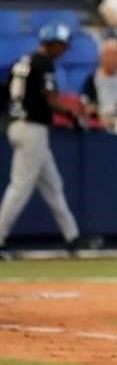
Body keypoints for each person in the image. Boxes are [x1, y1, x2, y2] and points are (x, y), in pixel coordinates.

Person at [0, 24, 99, 260]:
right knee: (20, 187)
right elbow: (51, 99)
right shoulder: (43, 62)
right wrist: (73, 115)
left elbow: (7, 93)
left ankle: (72, 238)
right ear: (51, 43)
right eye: (61, 45)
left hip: (18, 125)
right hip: (31, 128)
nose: (63, 50)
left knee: (53, 185)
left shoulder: (22, 61)